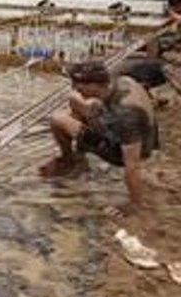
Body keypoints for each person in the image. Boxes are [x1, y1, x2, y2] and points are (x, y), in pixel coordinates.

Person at [39, 60, 159, 215]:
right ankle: (77, 155)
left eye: (78, 84)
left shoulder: (127, 114)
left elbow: (133, 165)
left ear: (96, 85)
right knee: (74, 100)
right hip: (124, 128)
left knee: (58, 119)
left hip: (122, 149)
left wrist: (134, 204)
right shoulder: (120, 81)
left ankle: (70, 160)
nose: (74, 87)